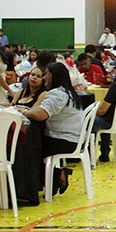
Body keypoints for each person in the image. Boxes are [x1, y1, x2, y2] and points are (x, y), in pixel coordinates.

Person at [17, 62, 85, 195]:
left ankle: (53, 177)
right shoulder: (69, 92)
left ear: (53, 76)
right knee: (28, 145)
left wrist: (24, 111)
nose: (44, 78)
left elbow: (40, 115)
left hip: (64, 140)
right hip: (72, 138)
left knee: (25, 149)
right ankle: (52, 178)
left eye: (46, 74)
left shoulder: (57, 94)